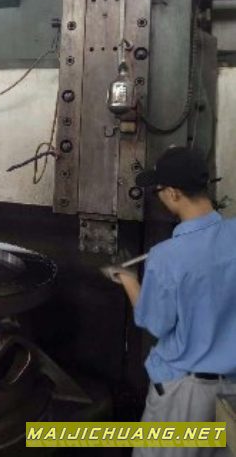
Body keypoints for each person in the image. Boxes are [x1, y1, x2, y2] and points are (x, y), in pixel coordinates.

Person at [104, 146, 236, 456]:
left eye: (159, 190)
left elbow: (156, 323)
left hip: (185, 395)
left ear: (173, 193)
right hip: (231, 391)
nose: (160, 197)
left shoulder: (166, 257)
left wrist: (127, 278)